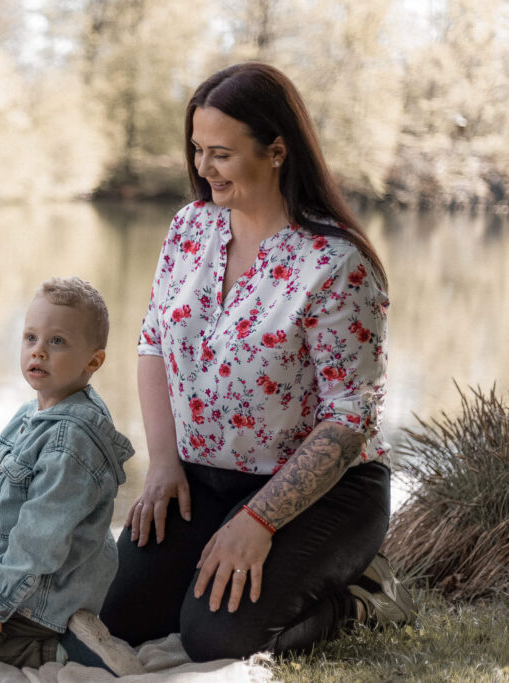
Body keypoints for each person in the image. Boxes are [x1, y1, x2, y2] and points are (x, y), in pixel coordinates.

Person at [98, 62, 415, 661]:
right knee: (122, 616)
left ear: (276, 151)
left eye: (220, 152)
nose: (202, 168)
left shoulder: (336, 264)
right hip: (201, 477)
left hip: (325, 493)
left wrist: (260, 522)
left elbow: (352, 416)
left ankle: (363, 599)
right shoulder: (191, 227)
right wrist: (163, 465)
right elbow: (153, 345)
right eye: (196, 149)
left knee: (216, 637)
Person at [0, 277, 144, 676]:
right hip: (38, 568)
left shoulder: (72, 443)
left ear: (93, 361)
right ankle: (14, 611)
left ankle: (62, 646)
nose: (39, 352)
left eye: (57, 342)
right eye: (30, 338)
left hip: (54, 587)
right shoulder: (35, 412)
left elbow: (40, 540)